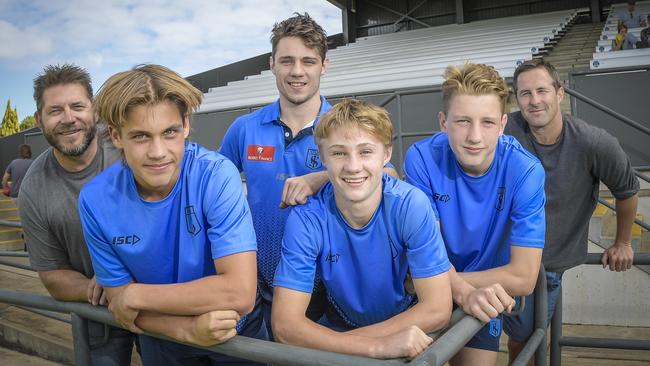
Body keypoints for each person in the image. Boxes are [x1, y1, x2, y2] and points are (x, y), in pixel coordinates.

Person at [219, 12, 397, 338]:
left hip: (329, 287)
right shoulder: (244, 129)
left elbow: (389, 175)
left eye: (308, 61)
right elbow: (213, 194)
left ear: (324, 65)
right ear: (272, 64)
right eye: (286, 61)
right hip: (259, 284)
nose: (297, 71)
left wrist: (320, 177)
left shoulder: (345, 124)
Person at [79, 64, 266, 366]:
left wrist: (136, 295)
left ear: (186, 126)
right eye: (141, 137)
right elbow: (118, 303)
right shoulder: (95, 199)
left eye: (169, 133)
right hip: (163, 338)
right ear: (116, 136)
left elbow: (239, 292)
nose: (158, 151)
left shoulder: (216, 174)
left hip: (239, 331)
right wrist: (187, 329)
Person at [272, 99, 452, 359]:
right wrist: (375, 347)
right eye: (338, 153)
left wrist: (336, 344)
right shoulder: (306, 219)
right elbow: (285, 326)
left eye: (365, 151)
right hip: (342, 326)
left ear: (386, 154)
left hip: (405, 325)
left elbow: (437, 309)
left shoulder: (410, 205)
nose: (353, 166)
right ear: (322, 157)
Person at [404, 63, 545, 366]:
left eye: (488, 123)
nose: (475, 136)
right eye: (463, 121)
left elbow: (523, 278)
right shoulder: (422, 157)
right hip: (425, 294)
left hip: (473, 294)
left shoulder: (526, 171)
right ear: (443, 122)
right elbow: (428, 247)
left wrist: (443, 283)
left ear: (503, 124)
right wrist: (449, 288)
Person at [504, 59, 639, 365]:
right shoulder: (504, 129)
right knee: (469, 334)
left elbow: (628, 190)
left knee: (523, 343)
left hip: (546, 266)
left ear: (560, 93)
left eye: (542, 90)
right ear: (517, 99)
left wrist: (623, 242)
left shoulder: (594, 142)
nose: (534, 100)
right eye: (525, 93)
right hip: (497, 261)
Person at [18, 64, 135, 366]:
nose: (69, 119)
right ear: (39, 120)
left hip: (159, 296)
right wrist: (102, 288)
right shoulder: (34, 187)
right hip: (96, 312)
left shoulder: (130, 149)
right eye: (55, 110)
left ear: (94, 110)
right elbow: (52, 274)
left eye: (78, 106)